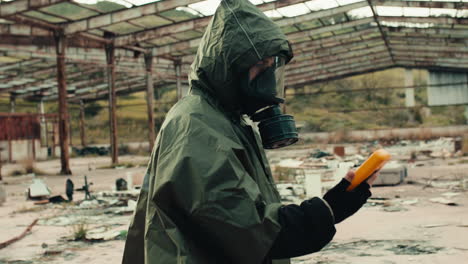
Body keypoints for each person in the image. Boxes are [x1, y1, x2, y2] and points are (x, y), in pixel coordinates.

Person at [122, 1, 375, 263]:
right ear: (230, 65)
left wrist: (334, 203)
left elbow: (249, 218)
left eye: (273, 67)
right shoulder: (197, 127)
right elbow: (247, 230)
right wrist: (330, 208)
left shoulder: (228, 122)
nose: (268, 78)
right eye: (261, 66)